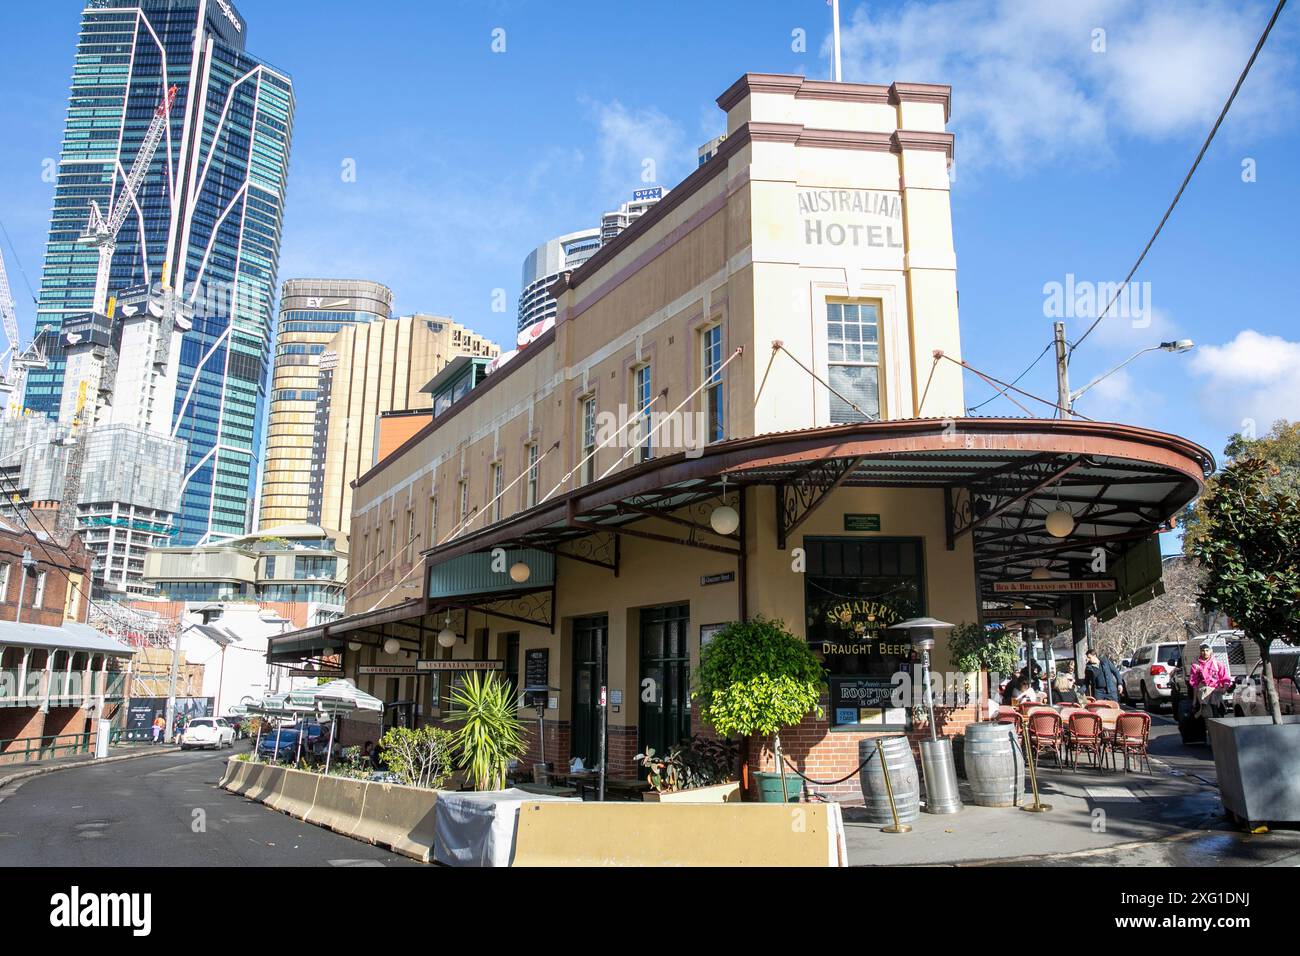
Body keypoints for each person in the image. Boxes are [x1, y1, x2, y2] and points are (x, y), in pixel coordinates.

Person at [1188, 642, 1232, 718]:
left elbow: (1225, 678)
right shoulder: (1196, 665)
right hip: (1203, 693)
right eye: (1203, 650)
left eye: (1207, 650)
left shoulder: (1217, 664)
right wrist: (1195, 700)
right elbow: (1194, 683)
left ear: (1211, 651)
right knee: (1206, 714)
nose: (1205, 652)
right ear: (1200, 651)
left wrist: (1224, 688)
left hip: (1216, 692)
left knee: (1218, 713)